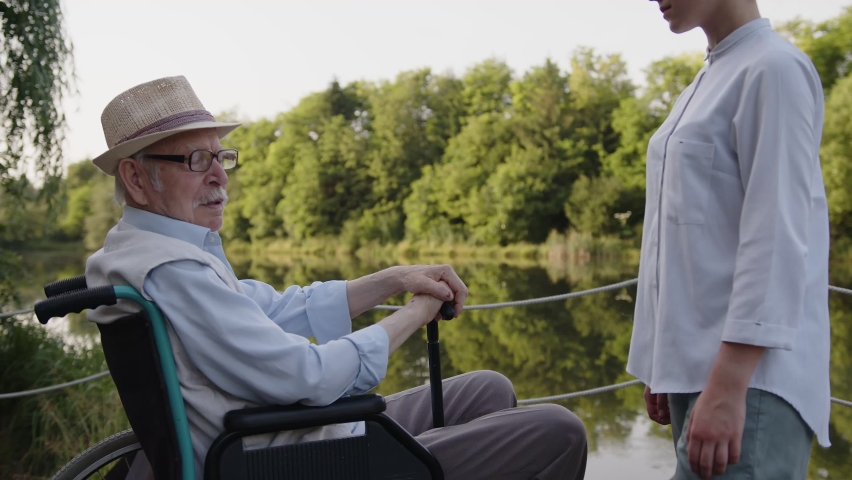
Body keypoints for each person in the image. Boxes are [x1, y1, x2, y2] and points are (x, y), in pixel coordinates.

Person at [84, 75, 588, 480]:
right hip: (289, 459)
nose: (219, 175)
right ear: (134, 177)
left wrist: (396, 278)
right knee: (559, 430)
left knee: (488, 389)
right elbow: (308, 375)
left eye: (221, 157)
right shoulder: (173, 270)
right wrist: (415, 312)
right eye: (197, 160)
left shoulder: (147, 254)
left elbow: (281, 308)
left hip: (288, 437)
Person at [628, 1, 830, 479]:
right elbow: (684, 238)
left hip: (750, 385)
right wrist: (665, 362)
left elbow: (776, 237)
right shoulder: (708, 79)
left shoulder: (773, 69)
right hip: (703, 375)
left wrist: (729, 383)